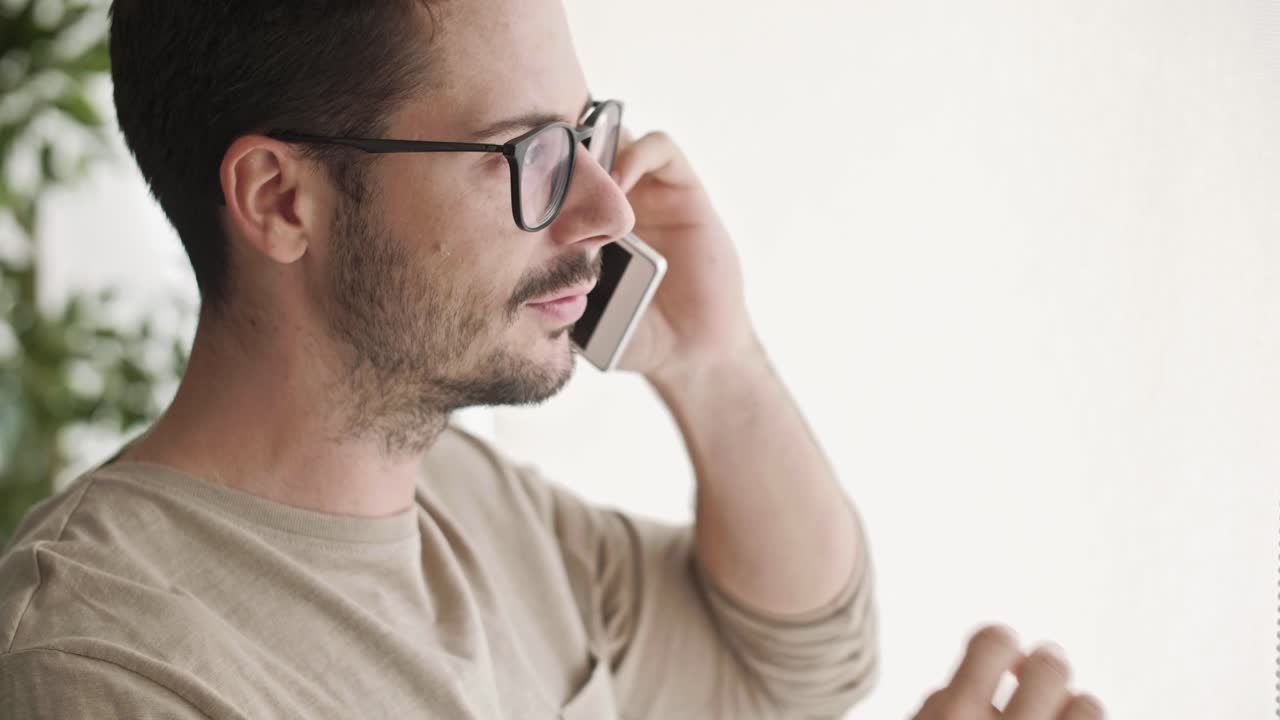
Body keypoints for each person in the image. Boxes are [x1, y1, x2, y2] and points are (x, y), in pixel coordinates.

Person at [0, 2, 1105, 718]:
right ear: (282, 199)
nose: (607, 205)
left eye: (586, 133)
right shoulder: (100, 660)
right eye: (526, 151)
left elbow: (795, 666)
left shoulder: (467, 500)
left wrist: (714, 363)